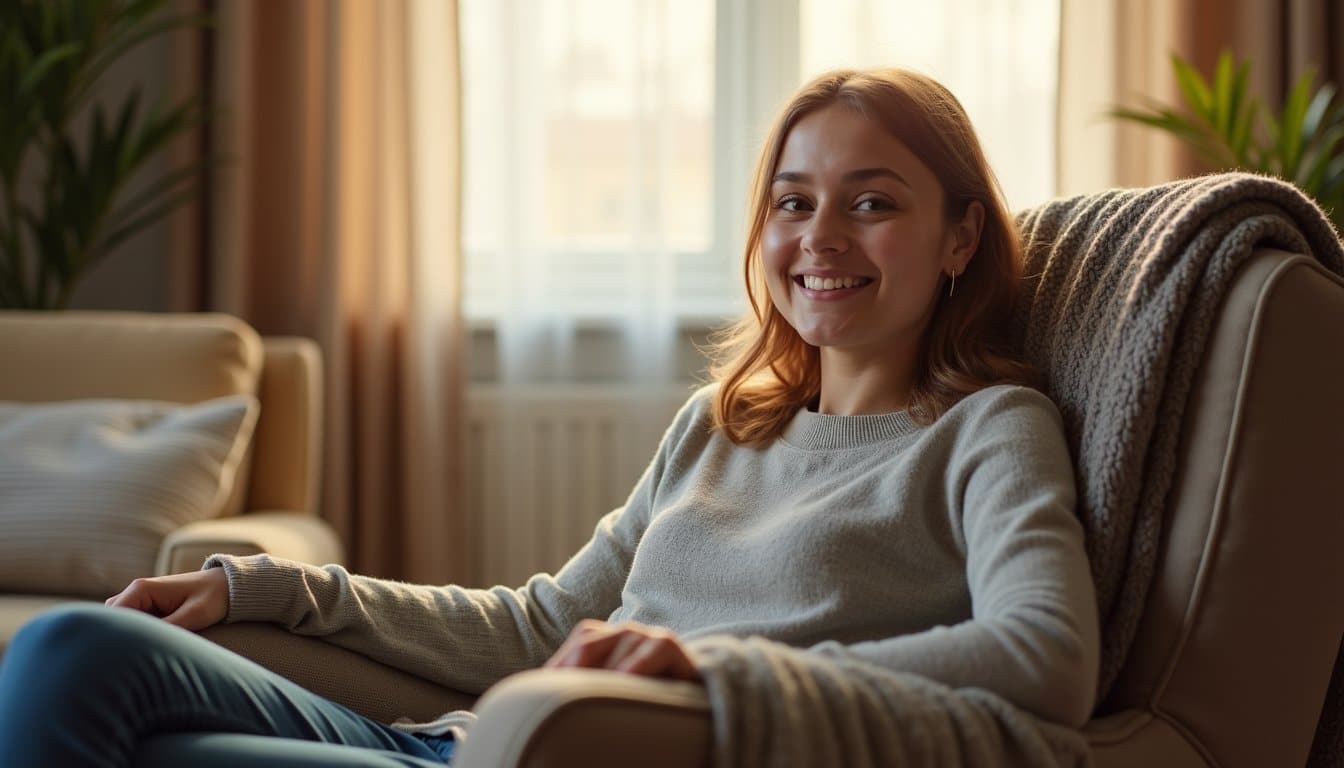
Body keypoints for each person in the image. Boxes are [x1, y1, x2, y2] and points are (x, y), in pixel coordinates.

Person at [0, 67, 1099, 767]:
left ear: (960, 239)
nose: (822, 238)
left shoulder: (988, 429)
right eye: (793, 201)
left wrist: (718, 670)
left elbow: (1046, 657)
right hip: (466, 739)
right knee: (68, 652)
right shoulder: (724, 426)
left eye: (874, 201)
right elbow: (541, 623)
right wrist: (273, 587)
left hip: (560, 756)